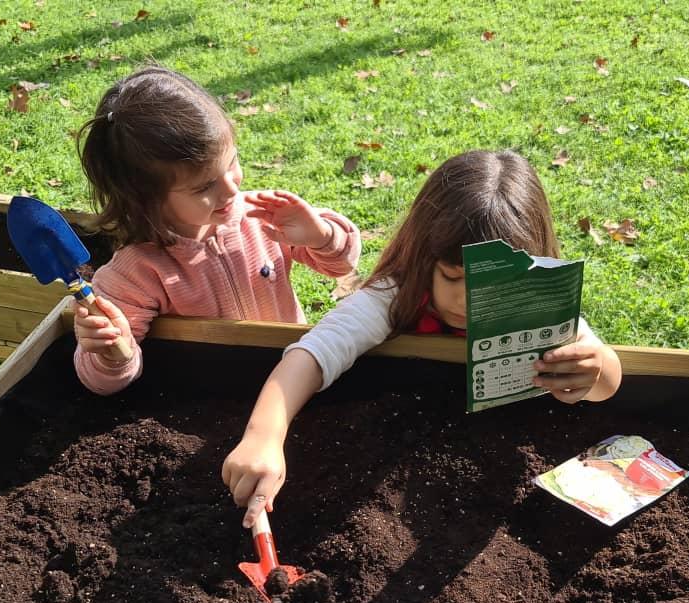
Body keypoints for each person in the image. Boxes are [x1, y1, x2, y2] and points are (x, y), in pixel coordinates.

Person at [223, 150, 623, 527]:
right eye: (453, 277)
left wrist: (596, 370)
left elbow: (606, 383)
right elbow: (314, 352)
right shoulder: (397, 296)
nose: (468, 301)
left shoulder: (539, 306)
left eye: (495, 285)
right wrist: (264, 436)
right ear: (423, 256)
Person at [69, 66, 361, 395]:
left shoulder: (261, 214)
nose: (231, 190)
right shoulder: (136, 273)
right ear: (146, 199)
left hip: (294, 378)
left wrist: (321, 236)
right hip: (213, 401)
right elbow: (104, 383)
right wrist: (112, 354)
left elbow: (341, 265)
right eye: (205, 186)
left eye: (232, 163)